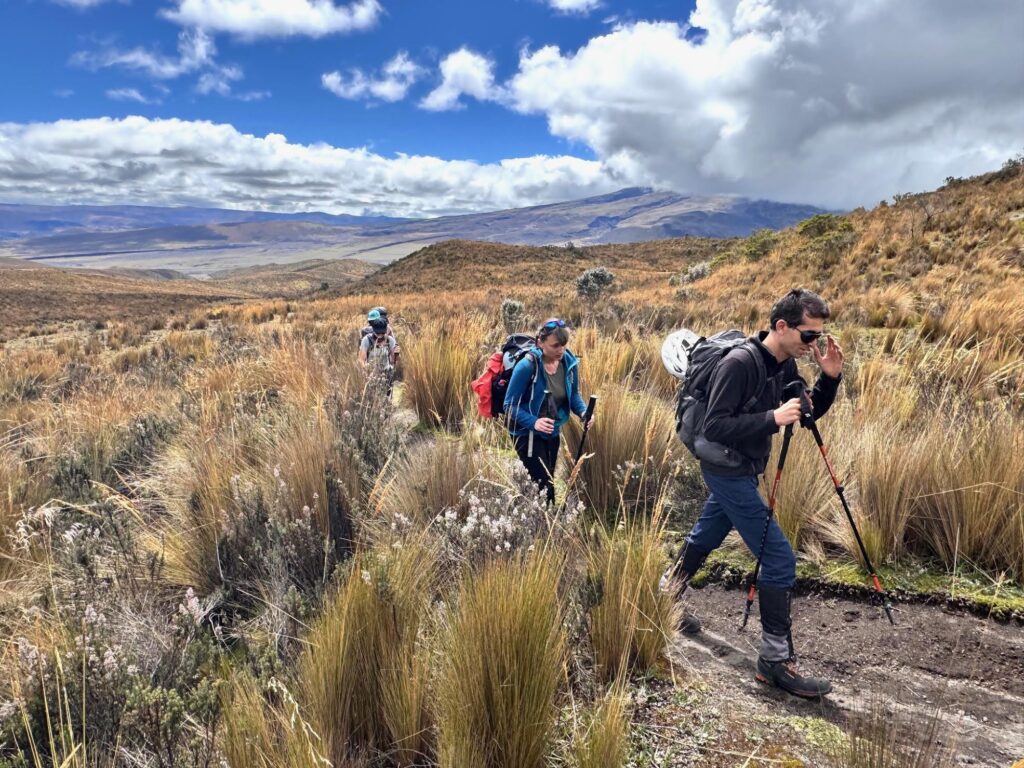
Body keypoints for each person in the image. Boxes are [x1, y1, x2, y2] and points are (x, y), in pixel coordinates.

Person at [665, 288, 845, 699]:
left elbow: (807, 413)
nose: (812, 344)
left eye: (817, 336)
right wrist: (771, 418)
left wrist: (830, 379)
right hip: (725, 470)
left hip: (743, 468)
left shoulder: (782, 364)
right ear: (781, 326)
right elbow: (715, 426)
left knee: (706, 535)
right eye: (808, 335)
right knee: (779, 559)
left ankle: (664, 597)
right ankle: (775, 662)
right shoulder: (740, 364)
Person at [503, 318, 594, 505]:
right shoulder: (527, 366)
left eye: (564, 344)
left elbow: (573, 395)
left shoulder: (569, 363)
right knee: (544, 486)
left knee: (549, 479)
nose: (561, 350)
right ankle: (543, 519)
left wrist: (584, 412)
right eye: (555, 346)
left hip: (552, 430)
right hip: (526, 434)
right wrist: (534, 422)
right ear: (540, 343)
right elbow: (509, 405)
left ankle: (540, 514)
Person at [358, 309, 399, 392]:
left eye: (382, 333)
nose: (380, 336)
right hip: (371, 374)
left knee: (387, 394)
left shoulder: (390, 340)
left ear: (385, 330)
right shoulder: (366, 340)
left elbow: (393, 361)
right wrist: (366, 370)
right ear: (373, 329)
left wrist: (396, 355)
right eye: (378, 333)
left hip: (386, 374)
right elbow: (361, 360)